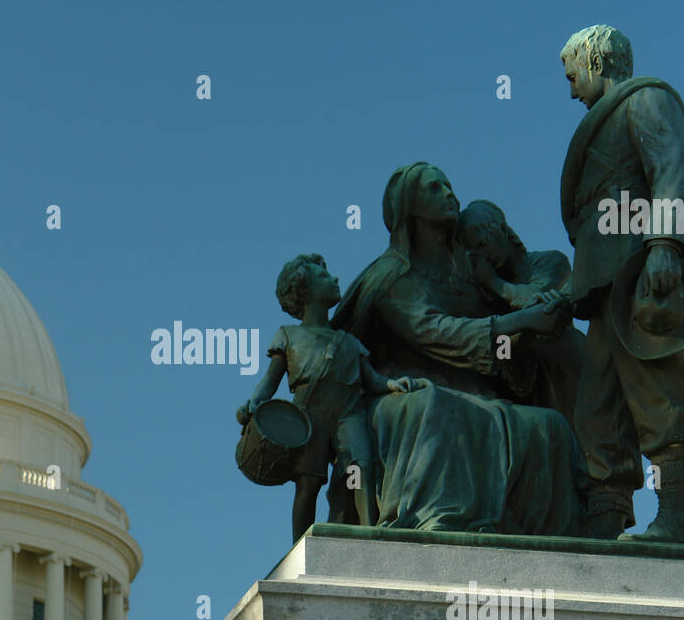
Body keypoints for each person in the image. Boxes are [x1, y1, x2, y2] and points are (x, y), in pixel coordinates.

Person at [330, 162, 587, 536]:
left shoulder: (470, 272)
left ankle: (547, 536)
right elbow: (439, 332)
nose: (449, 193)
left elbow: (502, 348)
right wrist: (523, 321)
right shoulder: (391, 276)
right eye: (435, 189)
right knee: (437, 407)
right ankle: (439, 521)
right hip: (402, 390)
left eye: (449, 185)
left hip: (475, 392)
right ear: (409, 208)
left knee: (550, 426)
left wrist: (525, 334)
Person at [559, 24, 684, 543]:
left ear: (596, 64)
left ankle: (675, 520)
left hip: (641, 280)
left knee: (658, 396)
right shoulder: (603, 118)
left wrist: (666, 245)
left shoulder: (646, 101)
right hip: (601, 291)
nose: (572, 89)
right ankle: (603, 525)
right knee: (597, 413)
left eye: (573, 74)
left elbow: (676, 171)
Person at [239, 253, 413, 541]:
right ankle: (298, 549)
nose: (334, 279)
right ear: (303, 292)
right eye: (322, 277)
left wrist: (393, 384)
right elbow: (270, 381)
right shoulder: (289, 335)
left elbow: (371, 380)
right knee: (309, 483)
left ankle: (370, 534)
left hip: (348, 412)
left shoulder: (348, 341)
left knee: (361, 466)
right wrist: (254, 404)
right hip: (309, 417)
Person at [457, 199, 583, 432]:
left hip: (566, 375)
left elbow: (543, 309)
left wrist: (495, 284)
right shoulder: (486, 302)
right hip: (525, 396)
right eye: (475, 252)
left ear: (503, 229)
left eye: (483, 242)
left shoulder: (549, 262)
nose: (483, 254)